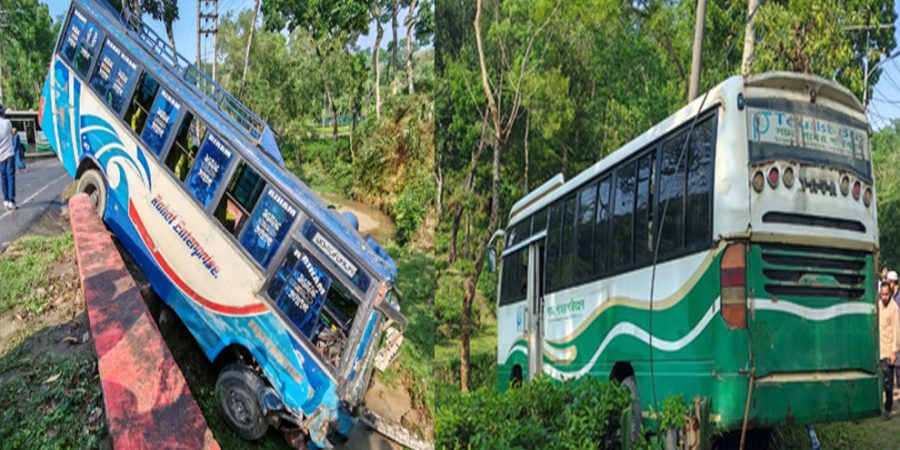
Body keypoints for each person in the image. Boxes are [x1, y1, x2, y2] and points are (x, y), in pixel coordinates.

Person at [880, 283, 900, 419]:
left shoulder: (894, 308)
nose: (884, 297)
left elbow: (897, 331)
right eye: (882, 294)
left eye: (886, 294)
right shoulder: (878, 305)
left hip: (888, 350)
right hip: (878, 350)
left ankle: (888, 409)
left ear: (890, 294)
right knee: (879, 382)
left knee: (888, 383)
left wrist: (894, 351)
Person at [0, 105, 16, 210]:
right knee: (10, 178)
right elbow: (12, 133)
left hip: (0, 156)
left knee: (3, 178)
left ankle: (5, 199)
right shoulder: (7, 123)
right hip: (9, 154)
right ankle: (12, 201)